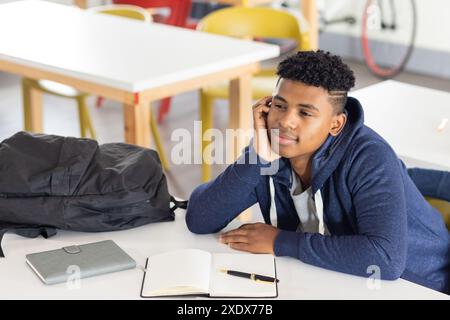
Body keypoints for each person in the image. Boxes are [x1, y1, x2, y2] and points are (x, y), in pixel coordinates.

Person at [185, 50, 450, 293]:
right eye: (279, 105)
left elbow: (385, 259)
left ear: (336, 124)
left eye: (305, 113)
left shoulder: (370, 157)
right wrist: (257, 157)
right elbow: (199, 219)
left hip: (417, 284)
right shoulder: (271, 152)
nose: (286, 121)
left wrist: (281, 241)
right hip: (335, 278)